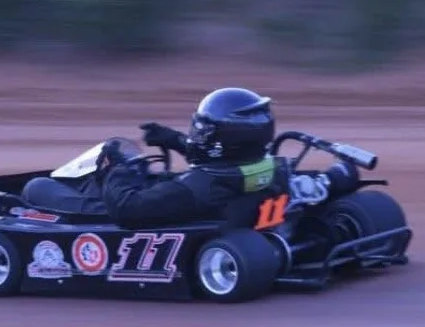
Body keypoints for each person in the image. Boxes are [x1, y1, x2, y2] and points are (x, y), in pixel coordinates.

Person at [21, 87, 358, 227]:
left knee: (35, 187)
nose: (198, 136)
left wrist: (119, 168)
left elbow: (126, 211)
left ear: (221, 138)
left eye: (203, 131)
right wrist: (174, 141)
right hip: (219, 206)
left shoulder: (197, 187)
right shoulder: (267, 167)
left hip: (132, 215)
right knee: (154, 178)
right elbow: (217, 158)